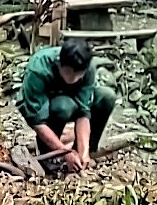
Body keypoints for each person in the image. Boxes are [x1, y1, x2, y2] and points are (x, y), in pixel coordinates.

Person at [18, 37, 115, 173]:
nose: (74, 79)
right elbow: (37, 121)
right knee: (64, 106)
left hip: (72, 102)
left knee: (107, 96)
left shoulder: (88, 68)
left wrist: (83, 151)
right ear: (59, 64)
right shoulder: (39, 68)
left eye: (78, 75)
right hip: (47, 108)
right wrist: (63, 152)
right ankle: (50, 155)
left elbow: (83, 112)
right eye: (69, 73)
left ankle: (85, 154)